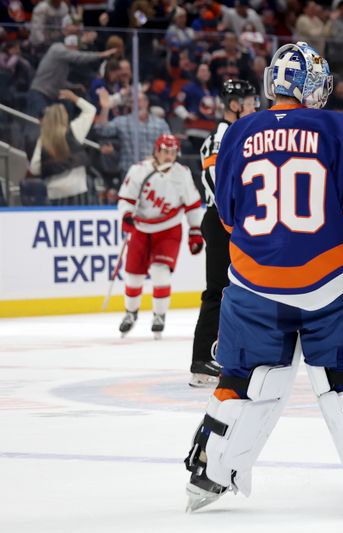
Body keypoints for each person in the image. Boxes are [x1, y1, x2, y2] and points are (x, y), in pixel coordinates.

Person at [184, 41, 343, 514]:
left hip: (252, 285)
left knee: (240, 380)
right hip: (330, 287)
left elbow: (229, 216)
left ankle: (208, 469)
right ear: (314, 85)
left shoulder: (236, 133)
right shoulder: (337, 127)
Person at [188, 79, 259, 388]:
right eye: (250, 100)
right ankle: (202, 358)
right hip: (222, 220)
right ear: (233, 105)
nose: (255, 105)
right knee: (218, 290)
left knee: (242, 288)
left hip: (232, 218)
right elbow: (219, 183)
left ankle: (232, 352)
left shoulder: (240, 133)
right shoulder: (221, 137)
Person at [117, 134, 204, 339]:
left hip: (168, 229)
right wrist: (126, 215)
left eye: (173, 152)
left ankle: (159, 315)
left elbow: (192, 204)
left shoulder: (182, 174)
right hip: (141, 229)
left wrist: (195, 232)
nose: (169, 156)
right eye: (166, 151)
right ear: (157, 151)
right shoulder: (138, 170)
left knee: (160, 272)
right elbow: (125, 198)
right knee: (133, 275)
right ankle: (131, 312)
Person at [29, 89, 96, 205]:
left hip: (54, 193)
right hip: (77, 189)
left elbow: (34, 168)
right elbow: (91, 110)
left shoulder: (43, 139)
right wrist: (74, 98)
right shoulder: (74, 130)